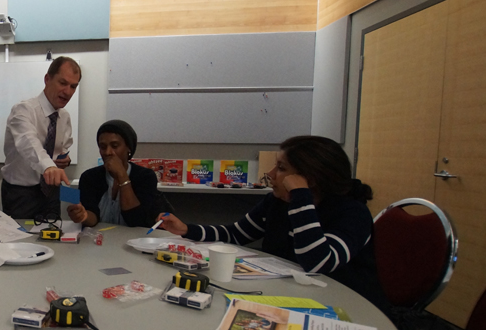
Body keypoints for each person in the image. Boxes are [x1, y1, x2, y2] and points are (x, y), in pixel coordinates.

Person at [155, 135, 391, 314]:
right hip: (290, 298)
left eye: (281, 168)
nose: (270, 173)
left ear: (309, 179)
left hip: (346, 309)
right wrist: (187, 229)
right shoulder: (277, 202)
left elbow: (318, 261)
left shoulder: (352, 213)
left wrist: (300, 196)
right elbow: (236, 233)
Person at [1, 56, 79, 219]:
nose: (68, 92)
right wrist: (48, 167)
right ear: (47, 79)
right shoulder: (23, 110)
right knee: (21, 240)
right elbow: (28, 142)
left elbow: (61, 150)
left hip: (51, 191)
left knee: (54, 236)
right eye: (63, 83)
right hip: (21, 194)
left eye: (73, 86)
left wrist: (64, 161)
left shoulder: (64, 117)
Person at [67, 120, 170, 227]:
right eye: (103, 147)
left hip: (134, 239)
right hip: (98, 238)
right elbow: (93, 217)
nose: (108, 152)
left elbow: (136, 220)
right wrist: (83, 216)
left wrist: (122, 175)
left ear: (128, 148)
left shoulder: (145, 177)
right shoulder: (90, 177)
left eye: (115, 146)